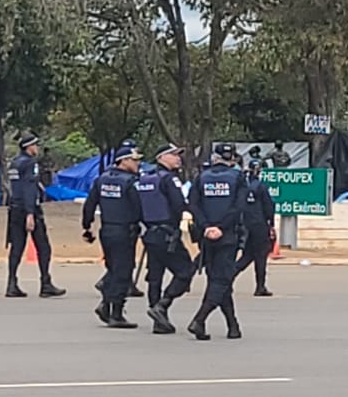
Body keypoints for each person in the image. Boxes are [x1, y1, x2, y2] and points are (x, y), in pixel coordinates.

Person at [186, 143, 249, 341]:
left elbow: (193, 204)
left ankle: (232, 325)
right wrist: (221, 227)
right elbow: (239, 207)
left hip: (206, 237)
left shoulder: (201, 177)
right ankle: (199, 319)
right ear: (232, 159)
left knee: (218, 280)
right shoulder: (238, 177)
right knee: (221, 280)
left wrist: (206, 227)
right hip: (228, 235)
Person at [82, 146, 145, 328]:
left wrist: (87, 226)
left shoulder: (102, 179)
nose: (138, 163)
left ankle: (106, 303)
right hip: (125, 231)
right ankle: (115, 312)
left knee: (113, 268)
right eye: (134, 160)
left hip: (107, 230)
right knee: (123, 272)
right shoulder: (131, 182)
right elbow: (139, 207)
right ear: (123, 161)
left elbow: (90, 204)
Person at [141, 144, 197, 335]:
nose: (178, 158)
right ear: (161, 157)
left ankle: (158, 320)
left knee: (155, 276)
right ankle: (162, 306)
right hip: (167, 233)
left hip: (149, 233)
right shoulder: (169, 179)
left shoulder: (145, 178)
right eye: (173, 155)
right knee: (185, 271)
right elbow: (179, 204)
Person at [5, 134, 65, 299]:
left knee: (17, 248)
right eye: (35, 145)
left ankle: (11, 283)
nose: (36, 148)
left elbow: (19, 186)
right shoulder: (30, 163)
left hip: (15, 208)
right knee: (43, 247)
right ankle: (45, 283)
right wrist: (30, 213)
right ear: (28, 147)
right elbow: (29, 188)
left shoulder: (14, 163)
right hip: (29, 208)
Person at [233, 155, 276, 297]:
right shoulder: (261, 186)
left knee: (248, 256)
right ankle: (260, 286)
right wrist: (271, 224)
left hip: (245, 224)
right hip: (259, 225)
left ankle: (228, 278)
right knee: (260, 256)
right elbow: (269, 207)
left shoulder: (242, 187)